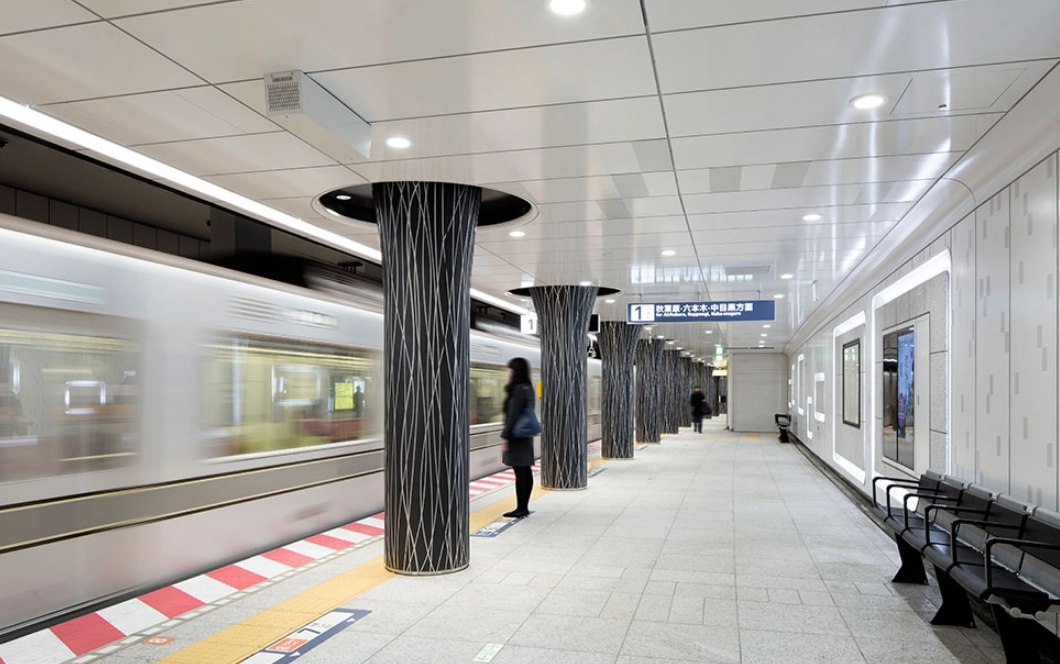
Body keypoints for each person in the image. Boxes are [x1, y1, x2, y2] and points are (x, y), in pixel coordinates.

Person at [501, 357, 535, 518]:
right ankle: (523, 506)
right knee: (525, 471)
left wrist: (505, 436)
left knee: (520, 472)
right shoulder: (528, 387)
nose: (508, 371)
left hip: (516, 435)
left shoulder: (518, 389)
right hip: (525, 435)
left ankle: (521, 508)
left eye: (510, 368)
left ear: (516, 370)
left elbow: (512, 415)